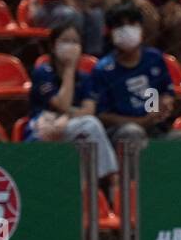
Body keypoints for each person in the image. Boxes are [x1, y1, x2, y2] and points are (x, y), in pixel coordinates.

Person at [24, 21, 119, 192]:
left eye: (75, 42)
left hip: (69, 129)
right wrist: (69, 69)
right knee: (89, 125)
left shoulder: (85, 78)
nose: (71, 46)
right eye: (65, 41)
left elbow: (89, 111)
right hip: (42, 128)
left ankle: (95, 189)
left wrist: (66, 117)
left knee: (90, 125)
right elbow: (62, 104)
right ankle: (112, 181)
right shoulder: (43, 73)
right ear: (53, 46)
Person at [93, 1, 181, 144]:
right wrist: (141, 121)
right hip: (121, 132)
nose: (127, 30)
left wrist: (165, 103)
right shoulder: (103, 69)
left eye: (132, 24)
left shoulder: (154, 58)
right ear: (110, 32)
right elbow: (102, 115)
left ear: (142, 29)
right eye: (120, 25)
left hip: (156, 128)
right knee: (133, 132)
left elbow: (167, 92)